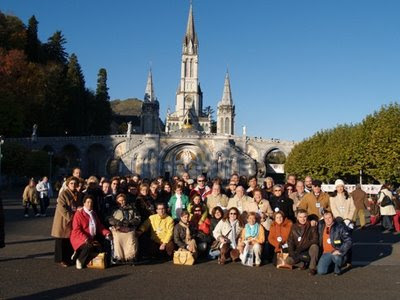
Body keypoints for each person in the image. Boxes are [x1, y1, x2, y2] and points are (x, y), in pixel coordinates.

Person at [70, 195, 112, 269]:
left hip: (91, 237)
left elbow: (99, 226)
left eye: (91, 202)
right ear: (84, 203)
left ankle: (79, 255)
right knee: (89, 246)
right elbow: (76, 229)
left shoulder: (93, 214)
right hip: (79, 238)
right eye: (88, 202)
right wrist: (85, 238)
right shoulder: (79, 214)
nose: (90, 204)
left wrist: (107, 233)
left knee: (101, 246)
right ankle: (79, 260)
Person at [51, 176, 81, 267]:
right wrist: (71, 217)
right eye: (71, 183)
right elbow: (61, 208)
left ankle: (68, 258)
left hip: (71, 220)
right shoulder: (64, 194)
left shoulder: (77, 194)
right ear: (68, 184)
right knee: (61, 241)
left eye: (75, 183)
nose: (73, 185)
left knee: (68, 241)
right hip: (63, 220)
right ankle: (61, 259)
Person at [108, 194, 141, 264]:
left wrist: (130, 223)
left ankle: (130, 257)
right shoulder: (114, 209)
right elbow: (109, 219)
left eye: (123, 200)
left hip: (129, 228)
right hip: (118, 228)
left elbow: (138, 218)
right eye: (119, 200)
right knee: (117, 237)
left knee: (131, 236)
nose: (121, 202)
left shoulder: (132, 208)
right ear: (117, 201)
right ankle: (119, 257)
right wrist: (118, 222)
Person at [317, 210, 352, 276]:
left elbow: (348, 241)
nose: (328, 220)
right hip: (326, 253)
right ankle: (332, 264)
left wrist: (340, 250)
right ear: (323, 219)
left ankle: (337, 268)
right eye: (325, 218)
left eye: (329, 217)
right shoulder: (321, 225)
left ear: (333, 217)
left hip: (336, 251)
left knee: (337, 258)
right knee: (321, 272)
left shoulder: (340, 227)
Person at [286, 209, 319, 275]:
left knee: (315, 247)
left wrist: (313, 228)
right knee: (288, 260)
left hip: (308, 249)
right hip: (298, 250)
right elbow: (290, 241)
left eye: (304, 217)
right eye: (300, 217)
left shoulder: (311, 225)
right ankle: (303, 264)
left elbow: (315, 239)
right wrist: (292, 253)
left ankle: (312, 268)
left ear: (307, 217)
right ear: (297, 217)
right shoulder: (294, 226)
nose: (302, 219)